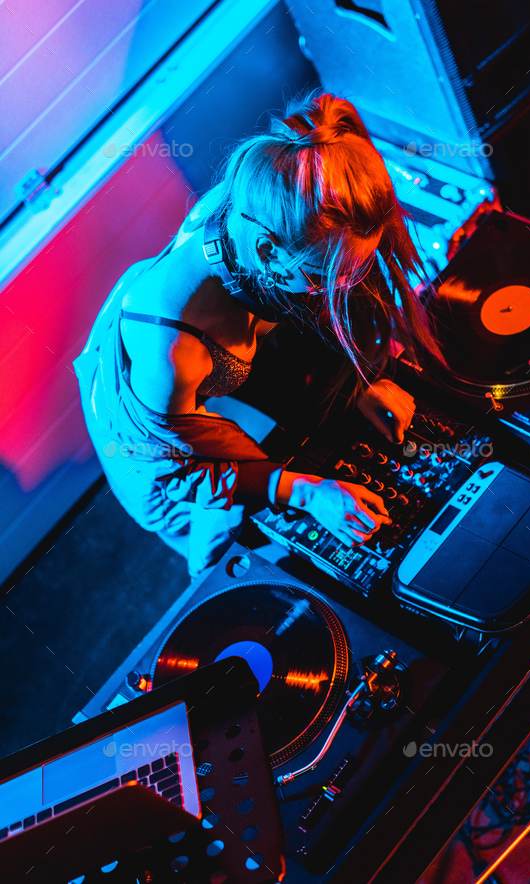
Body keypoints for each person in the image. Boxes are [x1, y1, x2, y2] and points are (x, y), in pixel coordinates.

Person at [73, 90, 443, 579]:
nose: (338, 290)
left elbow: (299, 304)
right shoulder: (172, 356)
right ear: (269, 254)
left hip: (195, 375)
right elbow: (184, 471)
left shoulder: (263, 203)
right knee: (220, 547)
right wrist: (304, 491)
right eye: (325, 278)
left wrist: (362, 384)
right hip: (154, 447)